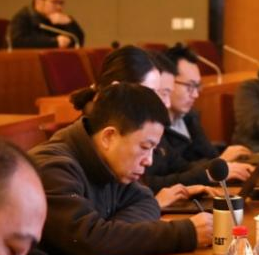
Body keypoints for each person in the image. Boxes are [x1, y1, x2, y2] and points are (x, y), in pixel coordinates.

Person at [28, 82, 215, 255]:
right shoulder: (53, 167)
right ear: (109, 137)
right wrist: (185, 234)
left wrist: (111, 233)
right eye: (145, 147)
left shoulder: (110, 161)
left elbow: (146, 201)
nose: (149, 161)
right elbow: (87, 240)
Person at [69, 46, 214, 206]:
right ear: (118, 89)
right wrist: (154, 205)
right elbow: (103, 221)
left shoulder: (139, 130)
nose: (163, 103)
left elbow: (138, 199)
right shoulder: (67, 163)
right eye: (152, 93)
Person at [151, 45, 255, 186]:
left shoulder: (190, 116)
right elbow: (159, 179)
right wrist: (216, 166)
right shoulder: (154, 127)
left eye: (197, 86)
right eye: (190, 86)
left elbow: (202, 160)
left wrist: (220, 163)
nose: (195, 94)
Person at [8, 0, 85, 49]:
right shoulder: (23, 17)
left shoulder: (60, 19)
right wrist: (54, 42)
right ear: (38, 2)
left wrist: (70, 23)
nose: (59, 7)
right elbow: (18, 42)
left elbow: (78, 42)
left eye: (61, 3)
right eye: (54, 2)